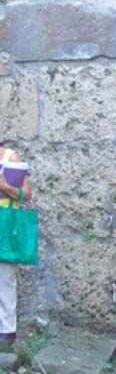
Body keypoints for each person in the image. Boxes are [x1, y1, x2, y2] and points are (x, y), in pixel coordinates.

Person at [0, 144, 32, 346]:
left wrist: (4, 187)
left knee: (5, 278)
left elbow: (26, 194)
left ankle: (6, 332)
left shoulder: (11, 158)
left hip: (5, 224)